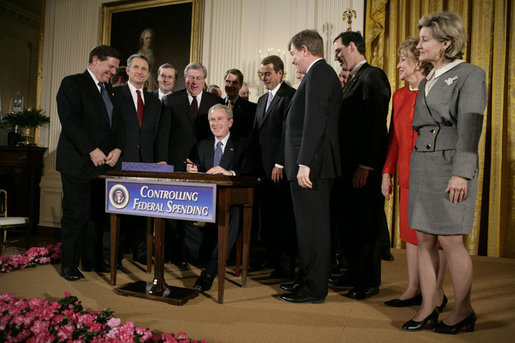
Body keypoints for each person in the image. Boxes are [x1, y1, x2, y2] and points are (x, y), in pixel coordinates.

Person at [402, 12, 486, 334]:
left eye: (425, 39)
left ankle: (464, 311)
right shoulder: (427, 78)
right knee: (424, 237)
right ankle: (428, 306)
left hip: (452, 166)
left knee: (450, 239)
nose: (419, 44)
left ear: (446, 43)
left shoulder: (470, 74)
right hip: (423, 164)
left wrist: (461, 173)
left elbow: (470, 128)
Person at [381, 38, 447, 309]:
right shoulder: (398, 96)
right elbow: (394, 140)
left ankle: (437, 295)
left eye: (402, 61)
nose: (398, 65)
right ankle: (413, 289)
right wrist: (387, 173)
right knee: (410, 236)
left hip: (432, 178)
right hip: (407, 176)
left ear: (418, 64)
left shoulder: (434, 93)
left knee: (436, 240)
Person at [279, 29, 342, 304]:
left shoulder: (320, 73)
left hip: (312, 167)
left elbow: (315, 122)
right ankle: (306, 279)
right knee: (306, 229)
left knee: (315, 229)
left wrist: (305, 163)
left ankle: (314, 288)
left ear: (305, 50)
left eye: (293, 54)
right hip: (307, 165)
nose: (292, 61)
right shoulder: (317, 75)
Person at [56, 45, 124, 281]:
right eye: (110, 66)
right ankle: (69, 265)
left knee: (97, 216)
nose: (113, 72)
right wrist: (91, 150)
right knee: (76, 215)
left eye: (115, 68)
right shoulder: (72, 84)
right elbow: (70, 122)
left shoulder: (111, 92)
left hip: (104, 165)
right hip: (77, 163)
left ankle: (92, 261)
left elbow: (117, 126)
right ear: (95, 60)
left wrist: (117, 148)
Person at [332, 31, 391, 299]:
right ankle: (355, 272)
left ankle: (369, 281)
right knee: (352, 223)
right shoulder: (356, 79)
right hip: (349, 167)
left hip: (365, 168)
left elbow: (376, 124)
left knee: (367, 225)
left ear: (353, 46)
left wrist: (366, 165)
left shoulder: (373, 75)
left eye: (338, 50)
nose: (336, 57)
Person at [184, 104, 255, 291]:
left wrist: (229, 172)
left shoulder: (244, 144)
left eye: (220, 119)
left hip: (231, 201)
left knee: (234, 214)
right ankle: (206, 256)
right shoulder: (201, 145)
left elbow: (250, 172)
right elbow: (197, 168)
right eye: (212, 120)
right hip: (205, 202)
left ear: (230, 122)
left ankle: (210, 270)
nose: (215, 123)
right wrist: (192, 170)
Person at [110, 54, 162, 263]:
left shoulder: (153, 100)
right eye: (136, 67)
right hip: (122, 160)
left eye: (144, 69)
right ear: (128, 70)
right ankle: (116, 255)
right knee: (120, 209)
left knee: (143, 211)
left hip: (146, 163)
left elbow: (156, 134)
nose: (140, 71)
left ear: (148, 74)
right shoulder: (115, 94)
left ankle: (142, 255)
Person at [254, 55, 296, 278]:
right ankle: (271, 259)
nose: (264, 78)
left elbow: (288, 134)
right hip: (263, 169)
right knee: (268, 217)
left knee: (283, 219)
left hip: (280, 169)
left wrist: (280, 162)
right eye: (262, 74)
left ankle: (286, 265)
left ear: (280, 73)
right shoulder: (261, 100)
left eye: (268, 73)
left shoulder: (290, 97)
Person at [155, 62, 223, 171]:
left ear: (204, 79)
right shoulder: (171, 100)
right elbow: (163, 133)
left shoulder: (215, 101)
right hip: (177, 162)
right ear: (185, 78)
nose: (194, 82)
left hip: (206, 162)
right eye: (191, 77)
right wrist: (162, 159)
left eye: (198, 78)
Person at [223, 69, 256, 137]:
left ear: (240, 85)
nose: (230, 85)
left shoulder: (251, 108)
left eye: (234, 82)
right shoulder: (217, 104)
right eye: (228, 81)